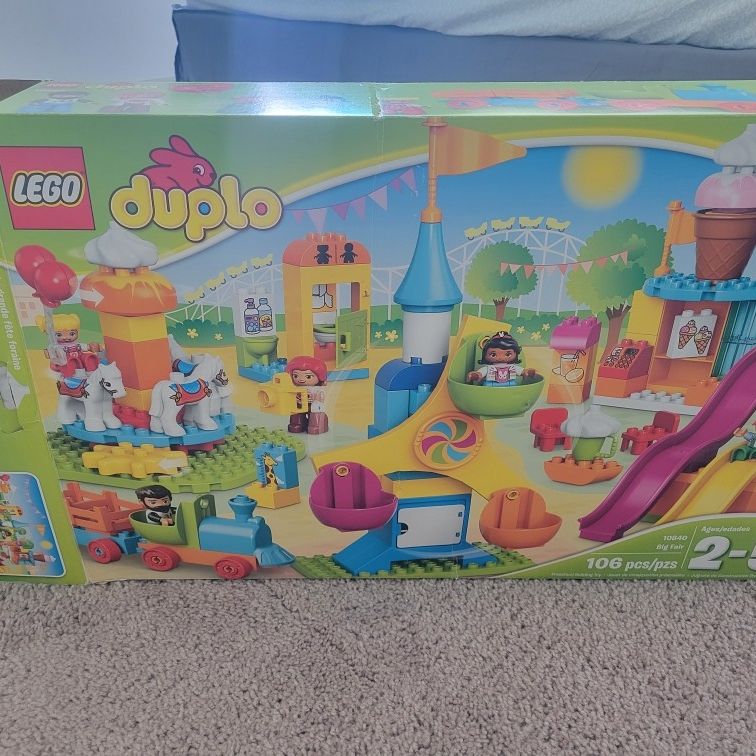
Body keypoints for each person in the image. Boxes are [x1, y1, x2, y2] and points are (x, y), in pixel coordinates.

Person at [35, 313, 101, 377]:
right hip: (64, 363)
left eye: (71, 334)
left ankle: (91, 370)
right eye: (59, 335)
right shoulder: (55, 347)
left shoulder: (76, 344)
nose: (66, 337)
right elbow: (52, 357)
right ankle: (75, 374)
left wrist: (89, 347)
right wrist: (53, 355)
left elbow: (83, 347)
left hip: (78, 359)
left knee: (88, 357)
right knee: (71, 361)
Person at [466, 331, 535, 386]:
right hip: (491, 386)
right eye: (493, 354)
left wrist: (526, 372)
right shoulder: (489, 368)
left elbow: (522, 372)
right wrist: (477, 375)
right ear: (485, 355)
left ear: (516, 353)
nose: (500, 358)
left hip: (510, 385)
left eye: (508, 354)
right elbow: (481, 373)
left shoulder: (512, 367)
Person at [285, 356, 329, 434]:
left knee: (315, 411)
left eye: (308, 376)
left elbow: (321, 397)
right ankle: (297, 423)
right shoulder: (296, 388)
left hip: (314, 405)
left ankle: (316, 425)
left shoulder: (317, 389)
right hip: (301, 405)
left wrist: (314, 398)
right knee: (296, 411)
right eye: (296, 376)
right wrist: (296, 398)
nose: (301, 379)